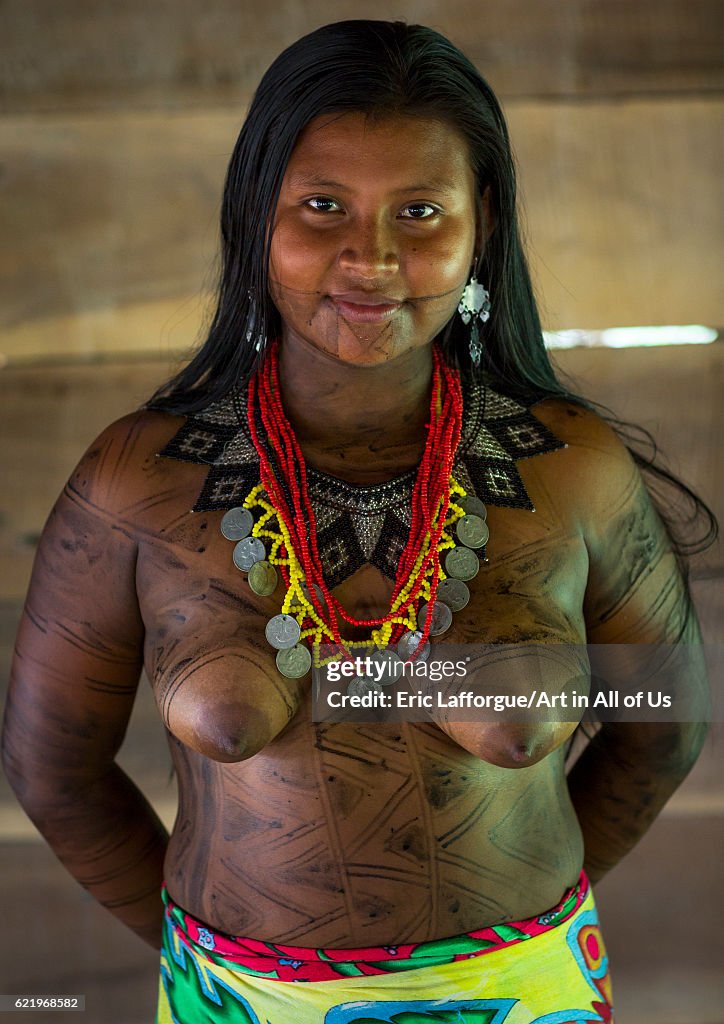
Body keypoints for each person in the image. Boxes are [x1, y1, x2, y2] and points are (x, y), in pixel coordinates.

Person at [1, 20, 714, 1024]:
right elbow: (51, 767)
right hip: (236, 996)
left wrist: (520, 930)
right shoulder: (138, 481)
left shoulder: (569, 468)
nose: (369, 256)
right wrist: (217, 962)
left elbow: (661, 720)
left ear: (482, 230)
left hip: (523, 986)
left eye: (419, 211)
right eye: (322, 205)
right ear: (258, 218)